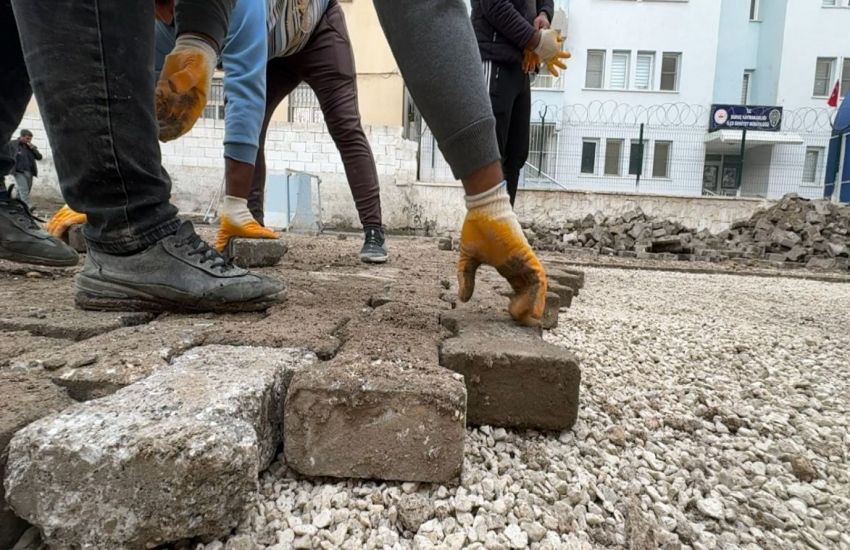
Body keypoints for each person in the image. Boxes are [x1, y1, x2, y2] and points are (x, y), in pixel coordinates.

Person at [5, 0, 283, 312]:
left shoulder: (248, 12)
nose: (161, 17)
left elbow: (246, 93)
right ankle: (130, 238)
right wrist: (110, 196)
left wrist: (198, 40)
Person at [153, 0, 388, 263]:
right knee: (257, 122)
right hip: (273, 51)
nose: (164, 15)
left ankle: (374, 230)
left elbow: (243, 92)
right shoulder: (163, 24)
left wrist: (233, 206)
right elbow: (142, 80)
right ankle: (251, 222)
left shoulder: (243, 7)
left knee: (345, 125)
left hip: (317, 33)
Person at [471, 0, 570, 206]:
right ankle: (484, 232)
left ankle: (503, 229)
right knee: (490, 157)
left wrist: (544, 14)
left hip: (521, 65)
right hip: (494, 58)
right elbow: (494, 5)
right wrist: (535, 40)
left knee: (515, 156)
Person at [8, 129, 42, 207]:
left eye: (30, 139)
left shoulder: (31, 147)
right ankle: (27, 206)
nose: (29, 140)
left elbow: (39, 157)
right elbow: (6, 153)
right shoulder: (13, 144)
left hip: (29, 172)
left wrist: (33, 148)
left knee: (25, 189)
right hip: (18, 171)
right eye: (27, 138)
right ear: (21, 136)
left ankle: (16, 204)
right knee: (24, 189)